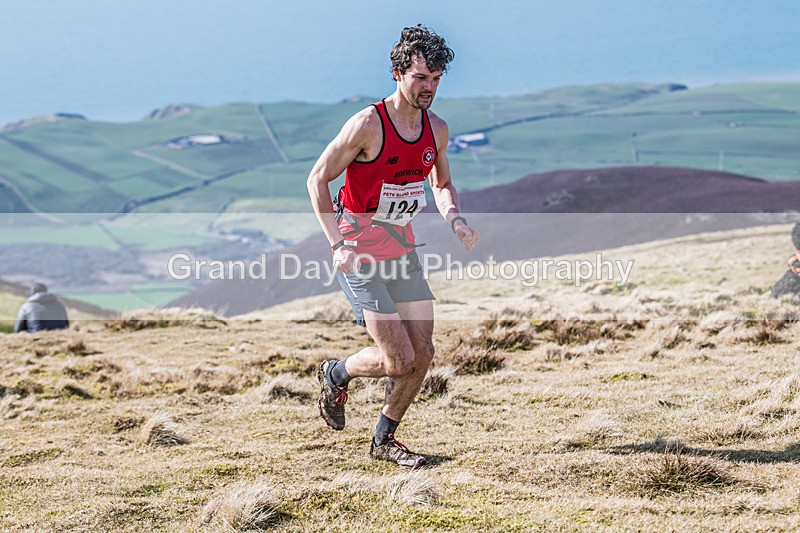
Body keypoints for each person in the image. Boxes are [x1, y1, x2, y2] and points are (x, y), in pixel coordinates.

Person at [307, 25, 480, 467]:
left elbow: (442, 183)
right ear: (397, 73)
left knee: (423, 354)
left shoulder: (436, 129)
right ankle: (337, 372)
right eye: (421, 78)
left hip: (402, 250)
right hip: (359, 252)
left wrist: (456, 219)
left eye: (436, 79)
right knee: (399, 358)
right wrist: (336, 245)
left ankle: (384, 440)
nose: (429, 88)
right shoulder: (367, 125)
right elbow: (317, 179)